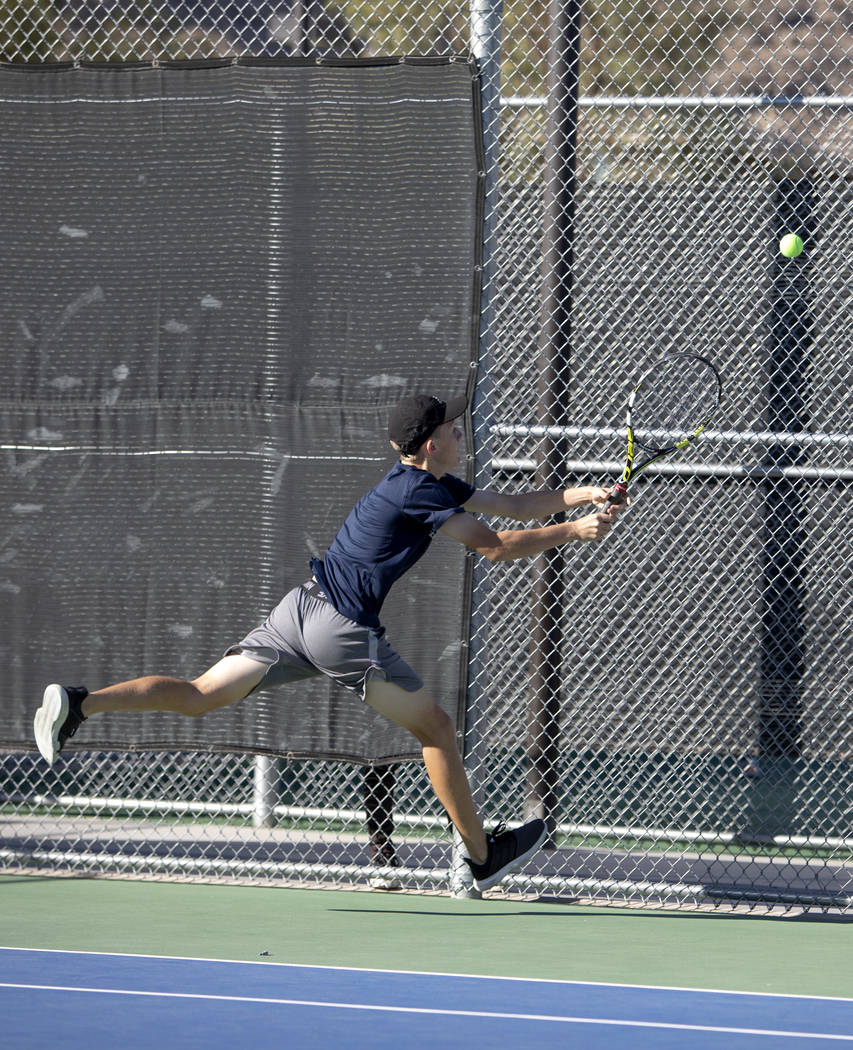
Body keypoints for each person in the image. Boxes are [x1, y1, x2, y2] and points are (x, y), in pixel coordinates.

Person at [33, 392, 622, 891]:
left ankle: (80, 702)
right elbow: (496, 544)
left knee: (200, 694)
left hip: (299, 611)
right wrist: (572, 533)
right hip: (340, 629)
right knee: (437, 728)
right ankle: (479, 857)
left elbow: (513, 504)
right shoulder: (419, 492)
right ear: (430, 444)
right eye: (451, 426)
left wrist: (580, 496)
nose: (460, 431)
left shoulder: (426, 481)